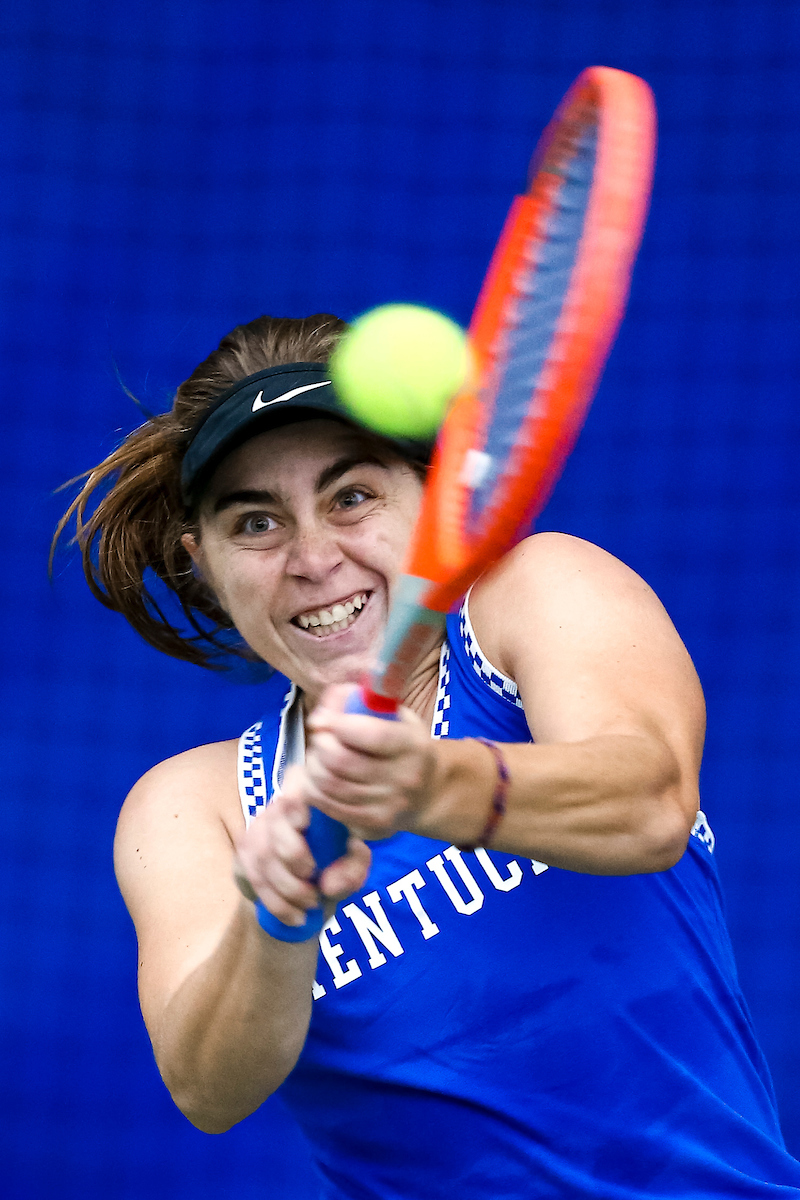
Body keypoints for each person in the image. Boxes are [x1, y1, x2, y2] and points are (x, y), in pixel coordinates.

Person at [57, 313, 800, 1198]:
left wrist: (431, 782)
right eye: (256, 523)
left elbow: (650, 803)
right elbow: (207, 1085)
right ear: (202, 563)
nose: (314, 558)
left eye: (351, 497)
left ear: (439, 501)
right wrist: (277, 916)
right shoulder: (193, 806)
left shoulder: (538, 593)